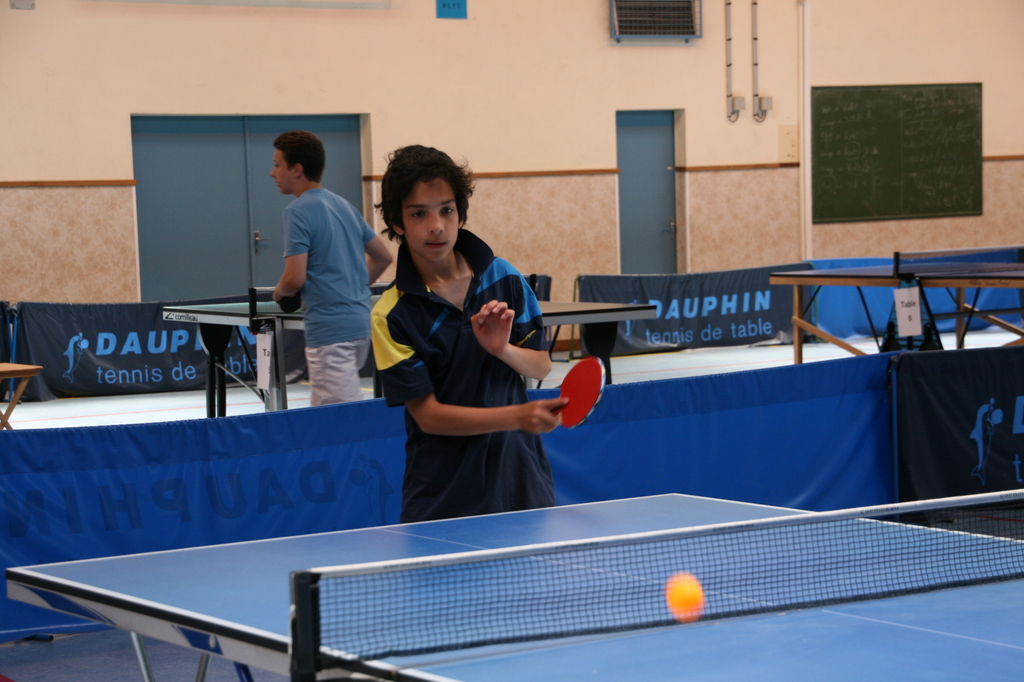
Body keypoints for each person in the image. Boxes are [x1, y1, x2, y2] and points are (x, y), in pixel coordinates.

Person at [370, 145, 567, 522]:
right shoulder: (391, 314)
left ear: (460, 214)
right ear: (397, 223)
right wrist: (517, 416)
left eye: (446, 210)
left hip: (520, 484)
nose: (436, 226)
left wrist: (501, 348)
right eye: (419, 213)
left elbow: (541, 367)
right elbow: (429, 417)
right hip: (444, 497)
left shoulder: (504, 276)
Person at [270, 130, 393, 406]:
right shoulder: (344, 206)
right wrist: (356, 287)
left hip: (330, 332)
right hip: (360, 324)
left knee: (338, 422)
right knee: (334, 417)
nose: (272, 172)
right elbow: (383, 257)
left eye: (277, 164)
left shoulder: (296, 211)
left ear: (297, 169)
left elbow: (294, 278)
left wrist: (278, 293)